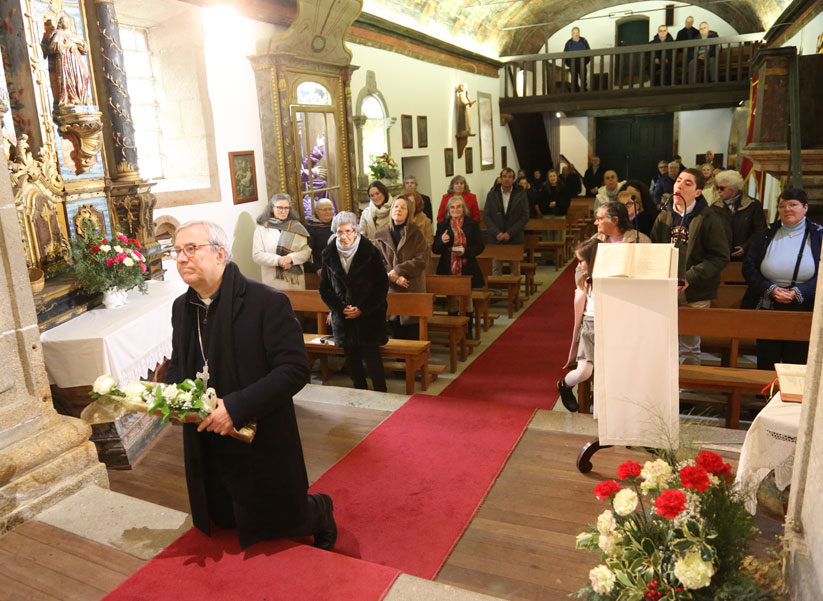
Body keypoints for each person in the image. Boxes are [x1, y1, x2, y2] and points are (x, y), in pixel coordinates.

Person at [166, 220, 336, 550]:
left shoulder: (266, 302)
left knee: (282, 514)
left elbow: (294, 369)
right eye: (176, 251)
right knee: (225, 512)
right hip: (206, 428)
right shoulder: (182, 308)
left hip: (259, 426)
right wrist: (173, 397)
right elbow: (178, 365)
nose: (181, 258)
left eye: (191, 248)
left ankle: (320, 512)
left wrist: (236, 407)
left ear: (220, 254)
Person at [651, 168, 729, 365]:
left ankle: (686, 388)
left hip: (696, 291)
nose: (680, 185)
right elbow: (653, 250)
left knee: (689, 344)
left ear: (698, 192)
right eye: (678, 180)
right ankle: (665, 387)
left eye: (688, 183)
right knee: (662, 341)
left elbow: (720, 257)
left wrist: (690, 276)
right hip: (665, 288)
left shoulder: (709, 218)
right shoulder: (664, 216)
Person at [742, 189, 822, 370]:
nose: (787, 209)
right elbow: (748, 267)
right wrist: (770, 289)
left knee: (797, 358)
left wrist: (799, 292)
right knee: (767, 356)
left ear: (805, 208)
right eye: (782, 206)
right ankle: (766, 397)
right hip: (768, 301)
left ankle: (792, 397)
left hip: (804, 305)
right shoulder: (766, 233)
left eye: (793, 204)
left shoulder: (818, 234)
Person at [319, 212, 389, 391]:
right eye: (340, 232)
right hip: (344, 318)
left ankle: (382, 394)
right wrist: (341, 308)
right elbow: (325, 289)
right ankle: (361, 393)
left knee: (372, 357)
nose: (344, 236)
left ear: (356, 231)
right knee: (352, 360)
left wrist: (362, 309)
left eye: (348, 231)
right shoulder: (328, 254)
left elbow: (381, 286)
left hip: (369, 316)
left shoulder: (370, 251)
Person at [373, 195, 429, 339]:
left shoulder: (416, 233)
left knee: (413, 332)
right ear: (391, 210)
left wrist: (398, 270)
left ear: (408, 212)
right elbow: (376, 262)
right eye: (396, 206)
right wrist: (393, 277)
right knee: (395, 331)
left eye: (403, 208)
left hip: (412, 286)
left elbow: (421, 260)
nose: (398, 210)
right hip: (391, 288)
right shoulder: (380, 234)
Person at [557, 237, 600, 412]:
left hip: (610, 325)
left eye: (582, 261)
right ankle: (564, 385)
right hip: (590, 325)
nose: (579, 265)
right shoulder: (584, 279)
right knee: (584, 372)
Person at [433, 195, 485, 318]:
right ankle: (454, 331)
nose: (455, 210)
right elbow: (436, 249)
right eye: (452, 207)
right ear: (448, 210)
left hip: (467, 266)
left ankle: (468, 331)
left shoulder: (472, 224)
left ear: (464, 208)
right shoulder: (442, 225)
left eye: (458, 207)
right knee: (451, 301)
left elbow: (480, 246)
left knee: (467, 300)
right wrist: (441, 240)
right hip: (448, 268)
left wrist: (465, 251)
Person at [252, 194, 312, 290]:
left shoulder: (297, 227)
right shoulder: (261, 229)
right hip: (273, 282)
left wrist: (290, 258)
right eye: (279, 207)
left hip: (295, 282)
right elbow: (257, 255)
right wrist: (278, 260)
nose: (283, 211)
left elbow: (307, 252)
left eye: (286, 208)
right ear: (272, 208)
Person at [710, 169, 767, 261]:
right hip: (720, 258)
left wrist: (746, 246)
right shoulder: (715, 207)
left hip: (746, 258)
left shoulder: (752, 205)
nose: (718, 191)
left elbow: (760, 230)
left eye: (722, 188)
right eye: (717, 187)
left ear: (733, 189)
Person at [484, 167, 529, 274]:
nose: (507, 179)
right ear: (500, 178)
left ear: (514, 179)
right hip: (496, 237)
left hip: (515, 236)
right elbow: (487, 216)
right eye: (504, 176)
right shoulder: (492, 194)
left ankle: (515, 290)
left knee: (515, 268)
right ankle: (496, 290)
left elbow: (525, 216)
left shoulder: (520, 194)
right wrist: (497, 233)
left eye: (510, 177)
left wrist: (510, 233)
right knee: (496, 268)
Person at [42, 16, 91, 107]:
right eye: (65, 21)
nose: (67, 23)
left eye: (68, 21)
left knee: (84, 75)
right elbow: (53, 47)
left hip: (76, 59)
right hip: (66, 60)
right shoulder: (59, 33)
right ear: (61, 24)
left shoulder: (74, 35)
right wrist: (66, 46)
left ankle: (83, 98)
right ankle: (72, 98)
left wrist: (76, 44)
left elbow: (84, 47)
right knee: (69, 79)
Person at [305, 199, 335, 277]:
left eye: (330, 209)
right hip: (321, 266)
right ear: (317, 212)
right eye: (324, 210)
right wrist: (317, 267)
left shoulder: (338, 224)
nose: (328, 212)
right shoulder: (310, 228)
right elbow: (308, 252)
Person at [563, 27, 591, 92]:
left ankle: (584, 93)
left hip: (582, 64)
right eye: (574, 33)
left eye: (577, 32)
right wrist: (569, 64)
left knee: (583, 80)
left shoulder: (583, 41)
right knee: (574, 80)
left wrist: (585, 62)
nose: (576, 34)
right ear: (572, 34)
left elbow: (589, 52)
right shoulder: (568, 43)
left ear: (579, 33)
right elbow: (565, 54)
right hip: (573, 65)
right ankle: (576, 94)